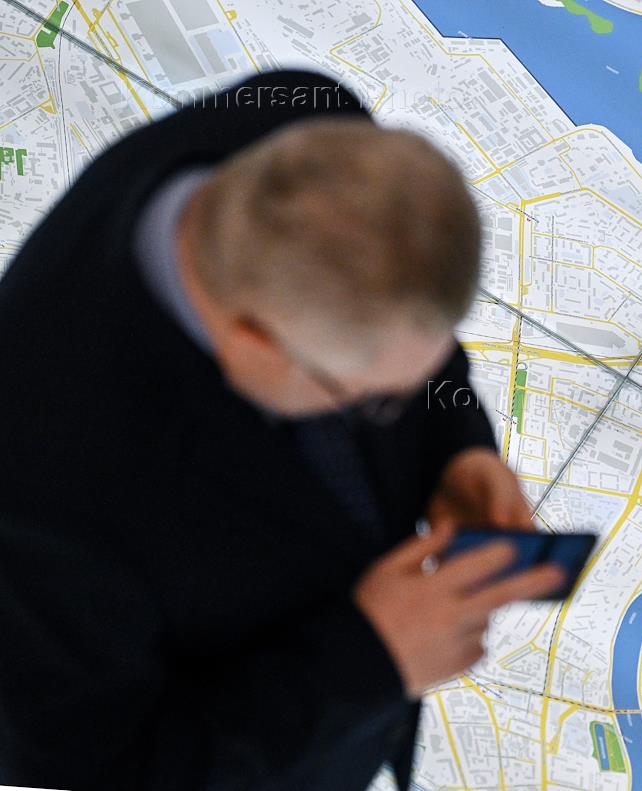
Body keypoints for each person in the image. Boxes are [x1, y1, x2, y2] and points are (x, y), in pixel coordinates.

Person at [0, 68, 564, 789]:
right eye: (371, 400)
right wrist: (369, 660)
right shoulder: (39, 492)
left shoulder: (313, 116)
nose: (404, 406)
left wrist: (458, 449)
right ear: (253, 339)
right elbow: (108, 762)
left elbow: (400, 326)